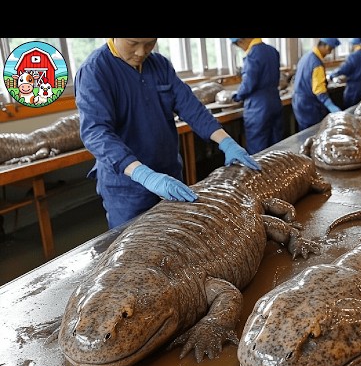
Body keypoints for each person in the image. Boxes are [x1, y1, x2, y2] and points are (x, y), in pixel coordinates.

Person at [74, 38, 261, 230]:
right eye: (133, 43)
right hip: (128, 188)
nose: (141, 52)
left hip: (169, 177)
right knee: (137, 247)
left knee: (177, 238)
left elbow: (191, 107)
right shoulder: (95, 71)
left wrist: (226, 142)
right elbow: (96, 132)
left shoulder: (159, 65)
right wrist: (144, 175)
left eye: (149, 44)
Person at [229, 38, 284, 155]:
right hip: (275, 101)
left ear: (241, 41)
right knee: (276, 149)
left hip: (258, 107)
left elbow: (249, 83)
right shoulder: (272, 51)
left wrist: (237, 96)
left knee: (258, 150)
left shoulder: (253, 54)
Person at [292, 38, 342, 131]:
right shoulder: (316, 63)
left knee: (304, 132)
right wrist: (330, 105)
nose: (329, 53)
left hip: (299, 101)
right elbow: (319, 90)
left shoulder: (306, 56)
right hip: (309, 105)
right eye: (330, 49)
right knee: (312, 132)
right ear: (326, 46)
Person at [329, 38, 361, 109]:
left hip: (355, 90)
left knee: (351, 111)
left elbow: (344, 69)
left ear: (352, 45)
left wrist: (332, 75)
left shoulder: (353, 57)